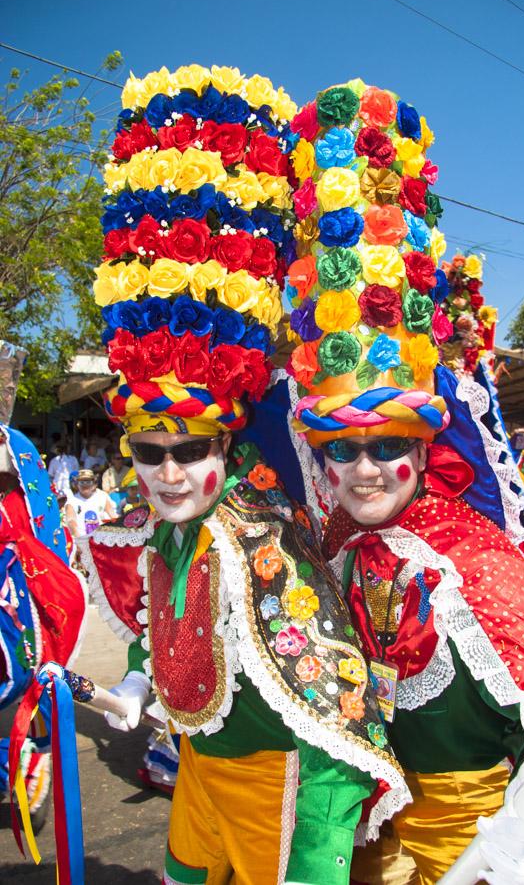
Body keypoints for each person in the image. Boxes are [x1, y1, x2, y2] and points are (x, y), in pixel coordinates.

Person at [77, 63, 409, 885]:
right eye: (150, 453)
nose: (169, 472)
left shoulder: (263, 537)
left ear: (226, 450)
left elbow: (332, 724)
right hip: (199, 783)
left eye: (190, 451)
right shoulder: (162, 533)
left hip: (279, 795)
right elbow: (177, 636)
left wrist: (315, 865)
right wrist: (138, 688)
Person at [283, 79, 524, 884]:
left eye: (385, 445)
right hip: (361, 840)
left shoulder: (479, 560)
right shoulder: (324, 547)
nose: (361, 470)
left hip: (477, 844)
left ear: (425, 452)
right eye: (340, 450)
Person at [0, 341, 87, 837]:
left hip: (21, 586)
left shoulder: (20, 449)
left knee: (34, 675)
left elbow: (40, 524)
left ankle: (31, 761)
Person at [65, 469, 116, 537]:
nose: (85, 485)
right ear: (77, 485)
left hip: (102, 537)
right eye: (82, 482)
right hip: (82, 538)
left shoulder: (102, 497)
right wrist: (79, 538)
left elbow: (113, 516)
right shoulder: (71, 501)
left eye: (88, 482)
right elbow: (71, 521)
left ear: (94, 484)